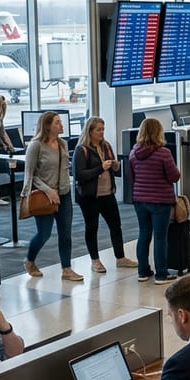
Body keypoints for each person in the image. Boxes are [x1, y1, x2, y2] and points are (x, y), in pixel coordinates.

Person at [22, 111, 82, 282]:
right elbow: (30, 175)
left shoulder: (62, 143)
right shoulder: (36, 146)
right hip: (45, 195)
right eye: (57, 122)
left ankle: (67, 268)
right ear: (47, 126)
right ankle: (30, 259)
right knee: (44, 233)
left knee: (66, 233)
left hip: (64, 194)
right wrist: (48, 190)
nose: (61, 125)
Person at [74, 117, 138, 274]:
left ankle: (120, 257)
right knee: (92, 228)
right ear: (90, 131)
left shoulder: (106, 146)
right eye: (98, 129)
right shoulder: (81, 150)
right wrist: (100, 168)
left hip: (107, 193)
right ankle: (95, 260)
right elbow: (79, 175)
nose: (102, 132)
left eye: (103, 129)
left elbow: (113, 169)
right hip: (90, 196)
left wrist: (115, 166)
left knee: (116, 226)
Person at [129, 117, 182, 285]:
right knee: (160, 237)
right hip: (160, 201)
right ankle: (161, 274)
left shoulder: (134, 152)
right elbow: (174, 176)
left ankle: (143, 271)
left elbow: (132, 177)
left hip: (139, 200)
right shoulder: (163, 153)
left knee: (144, 234)